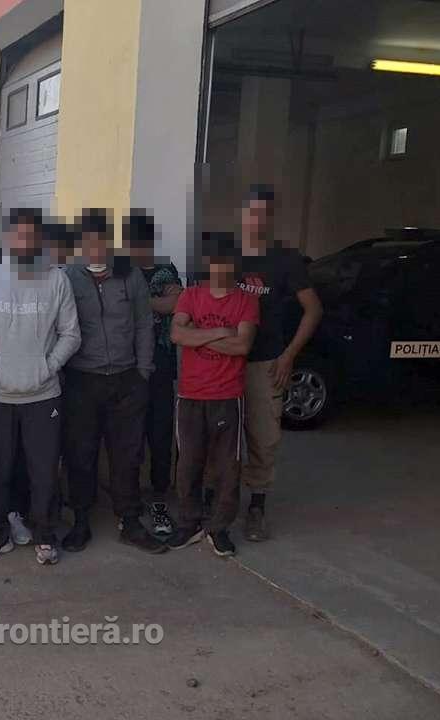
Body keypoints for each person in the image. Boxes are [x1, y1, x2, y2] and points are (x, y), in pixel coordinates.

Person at [0, 207, 81, 566]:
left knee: (44, 471)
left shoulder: (56, 279)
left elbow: (71, 334)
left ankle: (45, 536)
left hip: (43, 394)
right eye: (18, 234)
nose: (25, 241)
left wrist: (47, 367)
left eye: (31, 235)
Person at [61, 209, 162, 554]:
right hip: (82, 380)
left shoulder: (129, 274)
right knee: (80, 453)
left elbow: (144, 323)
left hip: (126, 379)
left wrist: (143, 371)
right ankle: (80, 520)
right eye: (88, 240)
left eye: (101, 239)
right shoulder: (68, 277)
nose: (95, 247)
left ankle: (129, 521)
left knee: (127, 455)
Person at [237, 186, 323, 541]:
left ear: (271, 217)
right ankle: (214, 501)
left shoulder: (285, 259)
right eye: (251, 212)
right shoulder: (227, 254)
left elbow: (313, 310)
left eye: (263, 214)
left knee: (263, 438)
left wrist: (289, 355)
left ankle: (256, 507)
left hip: (265, 364)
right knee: (220, 436)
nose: (256, 220)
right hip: (225, 362)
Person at [167, 234, 259, 557]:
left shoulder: (246, 301)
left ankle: (219, 528)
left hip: (227, 395)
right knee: (188, 464)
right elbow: (176, 333)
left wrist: (197, 336)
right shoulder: (191, 295)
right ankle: (189, 523)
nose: (220, 268)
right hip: (191, 395)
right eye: (215, 261)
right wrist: (220, 332)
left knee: (227, 468)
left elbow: (242, 345)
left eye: (226, 262)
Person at [126, 211, 183, 537]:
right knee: (129, 435)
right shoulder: (122, 270)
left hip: (161, 365)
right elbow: (162, 304)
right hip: (128, 364)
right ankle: (130, 497)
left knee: (160, 434)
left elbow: (176, 304)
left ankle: (159, 496)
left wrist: (140, 302)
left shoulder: (166, 269)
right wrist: (156, 301)